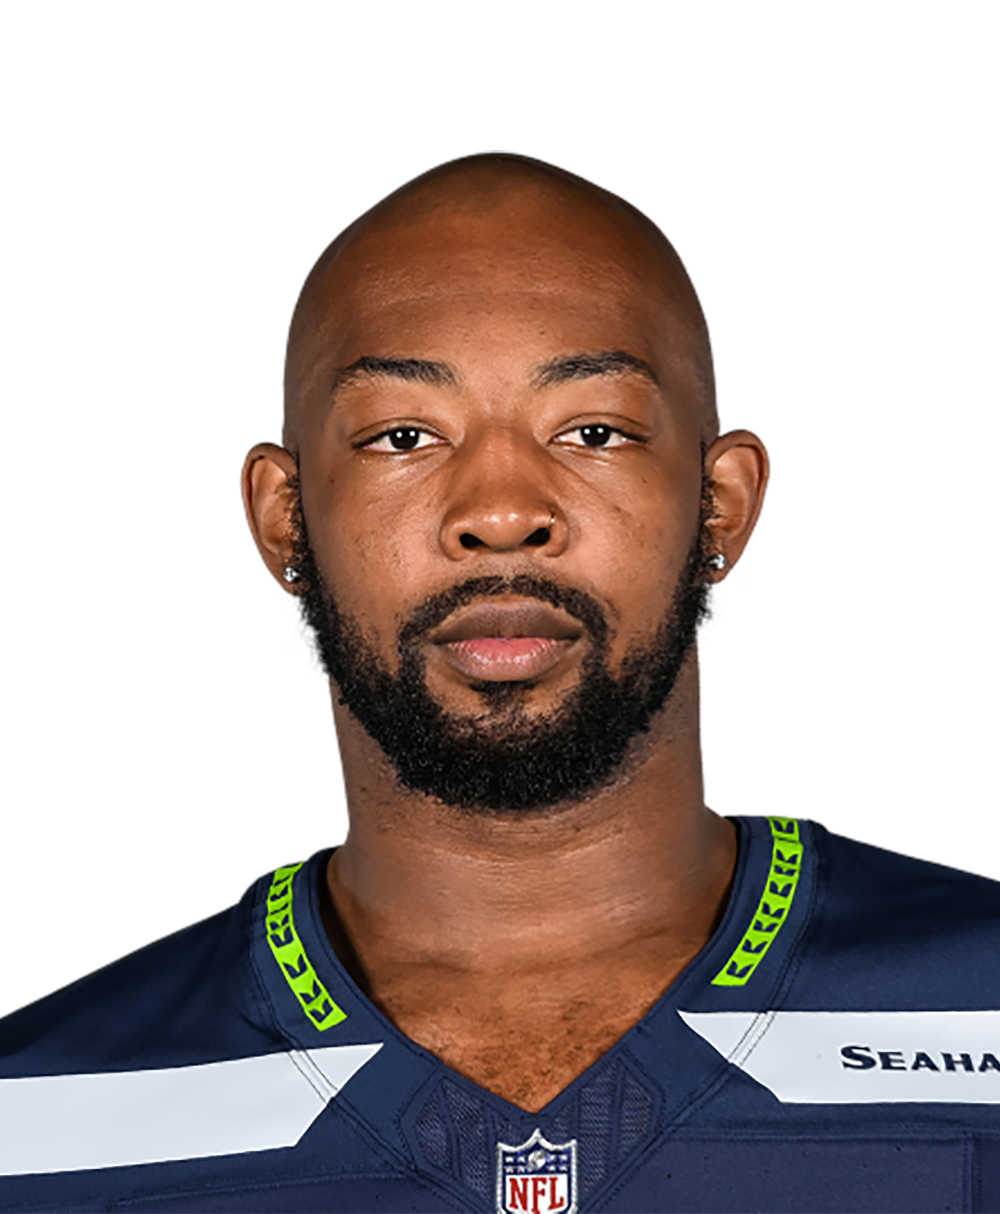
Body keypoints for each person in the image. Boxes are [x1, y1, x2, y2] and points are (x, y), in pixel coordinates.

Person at [1, 152, 998, 1214]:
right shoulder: (37, 1114)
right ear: (286, 519)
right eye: (403, 434)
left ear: (719, 506)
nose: (501, 507)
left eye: (592, 430)